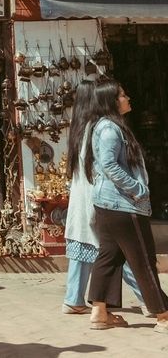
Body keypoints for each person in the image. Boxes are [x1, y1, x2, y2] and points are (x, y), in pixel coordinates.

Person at [85, 79, 168, 332]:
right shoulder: (110, 129)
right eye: (122, 94)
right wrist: (137, 188)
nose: (127, 97)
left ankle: (99, 312)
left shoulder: (101, 126)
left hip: (107, 205)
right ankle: (163, 315)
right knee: (143, 259)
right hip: (123, 205)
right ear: (111, 100)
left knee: (109, 257)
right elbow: (109, 165)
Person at [63, 80, 145, 315]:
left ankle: (74, 298)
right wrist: (135, 189)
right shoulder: (99, 128)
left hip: (83, 195)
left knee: (87, 247)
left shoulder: (80, 127)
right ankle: (150, 300)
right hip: (98, 196)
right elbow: (107, 166)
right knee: (120, 250)